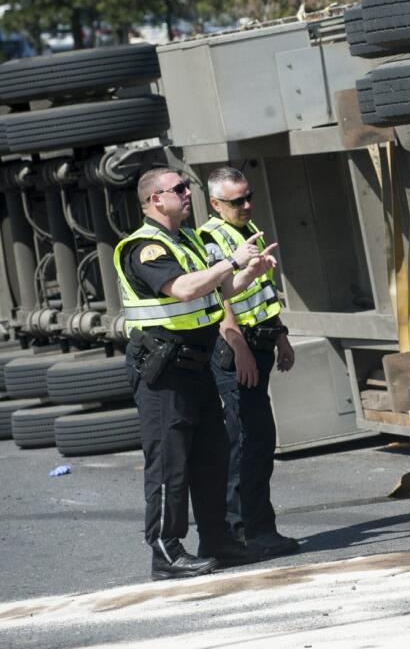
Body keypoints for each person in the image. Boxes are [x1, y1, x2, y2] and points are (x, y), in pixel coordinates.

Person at [116, 168, 276, 580]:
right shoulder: (145, 247)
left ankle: (217, 540)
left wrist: (247, 275)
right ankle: (166, 553)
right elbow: (183, 289)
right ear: (155, 200)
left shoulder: (184, 239)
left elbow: (214, 292)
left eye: (187, 187)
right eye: (180, 189)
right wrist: (229, 261)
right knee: (170, 463)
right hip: (164, 371)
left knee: (213, 455)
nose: (189, 194)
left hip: (196, 364)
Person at [198, 166, 299, 557]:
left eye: (248, 196)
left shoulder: (245, 230)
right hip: (235, 348)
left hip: (259, 342)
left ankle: (252, 528)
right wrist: (237, 344)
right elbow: (217, 297)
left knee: (257, 438)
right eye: (236, 201)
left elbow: (261, 290)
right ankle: (245, 532)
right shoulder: (211, 239)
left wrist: (281, 335)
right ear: (215, 204)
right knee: (247, 441)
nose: (246, 204)